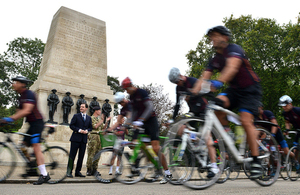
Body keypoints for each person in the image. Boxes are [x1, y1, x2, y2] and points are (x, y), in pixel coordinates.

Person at [191, 26, 262, 179]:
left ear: (225, 37)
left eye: (215, 35)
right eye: (211, 37)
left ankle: (256, 161)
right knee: (215, 105)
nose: (212, 39)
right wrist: (192, 93)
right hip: (234, 91)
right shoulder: (215, 58)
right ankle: (228, 135)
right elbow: (204, 77)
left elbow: (232, 67)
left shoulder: (234, 49)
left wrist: (218, 82)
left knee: (245, 120)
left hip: (250, 89)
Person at [168, 67, 220, 178]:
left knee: (207, 136)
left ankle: (214, 166)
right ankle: (198, 145)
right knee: (181, 130)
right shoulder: (178, 88)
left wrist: (211, 101)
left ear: (181, 76)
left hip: (204, 110)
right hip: (193, 112)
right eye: (175, 83)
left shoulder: (192, 81)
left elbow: (208, 91)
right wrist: (172, 119)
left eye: (178, 81)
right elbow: (178, 104)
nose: (178, 84)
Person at [121, 77, 172, 184]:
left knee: (156, 148)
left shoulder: (141, 92)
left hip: (151, 121)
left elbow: (149, 107)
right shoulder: (132, 97)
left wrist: (141, 120)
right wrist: (127, 124)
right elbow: (133, 112)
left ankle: (167, 172)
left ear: (130, 86)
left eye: (127, 89)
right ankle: (154, 165)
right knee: (140, 145)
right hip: (142, 123)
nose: (126, 91)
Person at [0, 76, 50, 185]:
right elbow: (18, 113)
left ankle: (44, 174)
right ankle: (32, 165)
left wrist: (9, 119)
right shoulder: (21, 97)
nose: (13, 84)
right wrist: (7, 121)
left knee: (36, 145)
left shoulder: (29, 94)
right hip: (31, 124)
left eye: (16, 82)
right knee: (22, 146)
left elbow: (27, 110)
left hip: (37, 123)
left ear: (22, 84)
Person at [256, 102, 296, 174]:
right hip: (267, 134)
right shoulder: (255, 117)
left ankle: (296, 160)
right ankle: (273, 168)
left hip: (276, 133)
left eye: (257, 107)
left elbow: (275, 124)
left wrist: (273, 134)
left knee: (286, 151)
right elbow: (257, 129)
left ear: (261, 107)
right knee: (269, 151)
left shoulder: (267, 113)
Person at [106, 92, 131, 175]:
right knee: (115, 155)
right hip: (117, 141)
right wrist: (108, 129)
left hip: (140, 120)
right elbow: (116, 123)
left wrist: (126, 126)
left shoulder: (131, 104)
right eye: (119, 103)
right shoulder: (122, 110)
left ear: (124, 99)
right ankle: (111, 170)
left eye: (121, 102)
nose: (121, 104)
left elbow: (131, 118)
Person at [67, 103, 92, 178]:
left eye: (83, 107)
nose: (81, 108)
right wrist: (79, 130)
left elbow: (90, 127)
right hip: (75, 139)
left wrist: (87, 131)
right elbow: (71, 125)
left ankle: (78, 172)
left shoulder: (88, 118)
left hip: (84, 140)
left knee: (81, 157)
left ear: (86, 108)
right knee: (72, 156)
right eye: (80, 107)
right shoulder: (76, 116)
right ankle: (69, 171)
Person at [86, 106, 111, 176]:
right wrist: (102, 121)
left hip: (99, 138)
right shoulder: (91, 118)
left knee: (98, 154)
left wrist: (106, 122)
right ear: (96, 111)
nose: (100, 112)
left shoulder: (99, 119)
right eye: (99, 110)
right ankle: (89, 169)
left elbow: (103, 128)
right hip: (93, 137)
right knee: (91, 154)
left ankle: (94, 169)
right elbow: (95, 126)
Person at [278, 95, 300, 173]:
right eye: (283, 106)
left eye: (285, 105)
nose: (284, 107)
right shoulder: (285, 113)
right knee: (295, 148)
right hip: (298, 131)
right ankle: (298, 165)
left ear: (290, 103)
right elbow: (287, 122)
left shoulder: (297, 110)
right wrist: (287, 129)